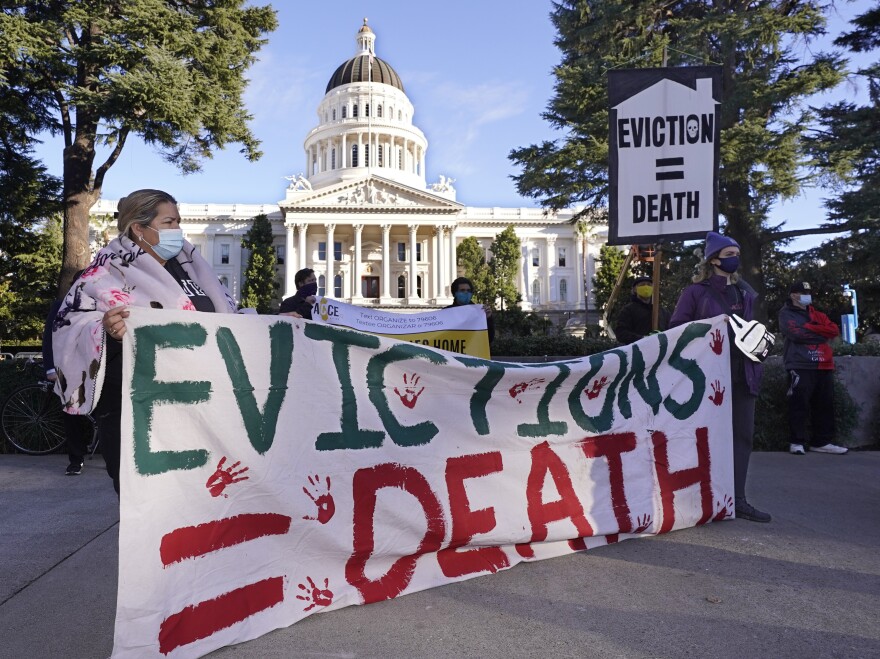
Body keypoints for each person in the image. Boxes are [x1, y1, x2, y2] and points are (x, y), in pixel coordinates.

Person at [50, 189, 237, 495]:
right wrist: (105, 329)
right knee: (149, 503)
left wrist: (278, 323)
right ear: (139, 228)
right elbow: (69, 324)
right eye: (169, 222)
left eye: (178, 222)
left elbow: (227, 318)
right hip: (135, 411)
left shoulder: (190, 266)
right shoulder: (105, 273)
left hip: (198, 409)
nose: (178, 230)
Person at [669, 231, 770, 523]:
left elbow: (753, 328)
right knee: (703, 438)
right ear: (713, 260)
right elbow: (677, 329)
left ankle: (737, 500)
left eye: (736, 254)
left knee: (742, 437)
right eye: (729, 255)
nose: (735, 259)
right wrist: (710, 330)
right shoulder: (695, 293)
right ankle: (697, 500)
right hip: (708, 376)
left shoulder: (744, 292)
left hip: (744, 373)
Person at [779, 281, 848, 455]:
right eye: (803, 292)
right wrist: (821, 334)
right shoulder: (786, 313)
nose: (807, 295)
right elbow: (795, 334)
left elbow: (833, 330)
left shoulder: (817, 314)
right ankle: (796, 442)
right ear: (793, 295)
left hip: (823, 363)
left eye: (808, 292)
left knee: (824, 404)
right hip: (799, 364)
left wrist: (811, 328)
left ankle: (822, 442)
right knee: (799, 403)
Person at [42, 296, 91, 475]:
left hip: (99, 365)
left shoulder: (103, 299)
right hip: (71, 367)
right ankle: (76, 459)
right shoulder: (63, 304)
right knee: (71, 415)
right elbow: (49, 336)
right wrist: (50, 368)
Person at [614, 276, 670, 344]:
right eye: (642, 285)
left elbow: (670, 331)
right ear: (635, 289)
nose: (646, 287)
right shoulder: (628, 310)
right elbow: (621, 333)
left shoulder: (662, 311)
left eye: (649, 285)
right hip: (639, 349)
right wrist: (643, 339)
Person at [445, 277, 494, 344]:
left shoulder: (480, 312)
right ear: (455, 293)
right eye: (462, 290)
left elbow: (489, 338)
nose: (466, 292)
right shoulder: (446, 312)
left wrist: (488, 319)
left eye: (468, 290)